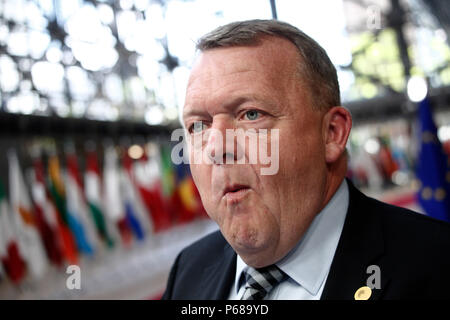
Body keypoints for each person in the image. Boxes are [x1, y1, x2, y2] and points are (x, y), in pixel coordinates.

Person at [162, 19, 450, 300]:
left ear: (332, 133)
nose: (216, 148)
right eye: (198, 125)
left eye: (251, 114)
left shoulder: (436, 265)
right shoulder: (188, 271)